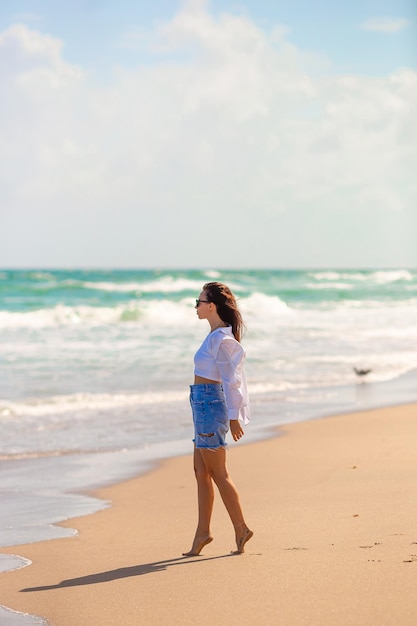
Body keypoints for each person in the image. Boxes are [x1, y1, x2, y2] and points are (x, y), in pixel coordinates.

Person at [183, 282, 253, 556]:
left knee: (218, 473)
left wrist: (234, 418)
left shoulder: (223, 340)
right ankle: (203, 533)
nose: (196, 307)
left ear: (211, 305)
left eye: (198, 302)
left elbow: (231, 381)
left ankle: (241, 527)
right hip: (201, 404)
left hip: (210, 405)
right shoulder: (213, 336)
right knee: (201, 472)